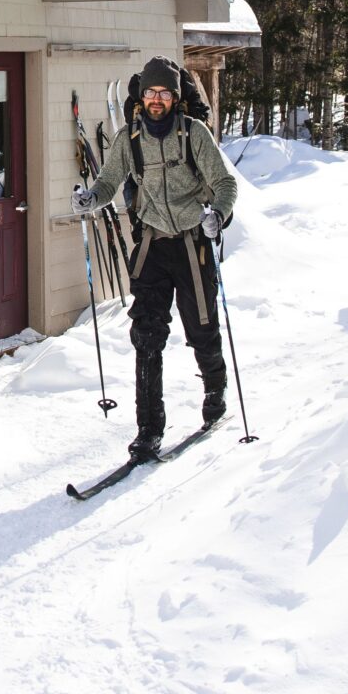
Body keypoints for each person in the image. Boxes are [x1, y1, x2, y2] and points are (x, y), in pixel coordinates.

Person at [73, 57, 239, 462]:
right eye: (150, 93)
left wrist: (218, 214)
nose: (157, 100)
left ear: (175, 98)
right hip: (151, 243)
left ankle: (215, 391)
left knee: (201, 327)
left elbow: (224, 182)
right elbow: (110, 181)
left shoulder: (193, 134)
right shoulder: (129, 139)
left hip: (191, 241)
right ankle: (148, 429)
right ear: (142, 98)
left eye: (164, 93)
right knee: (146, 337)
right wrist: (91, 199)